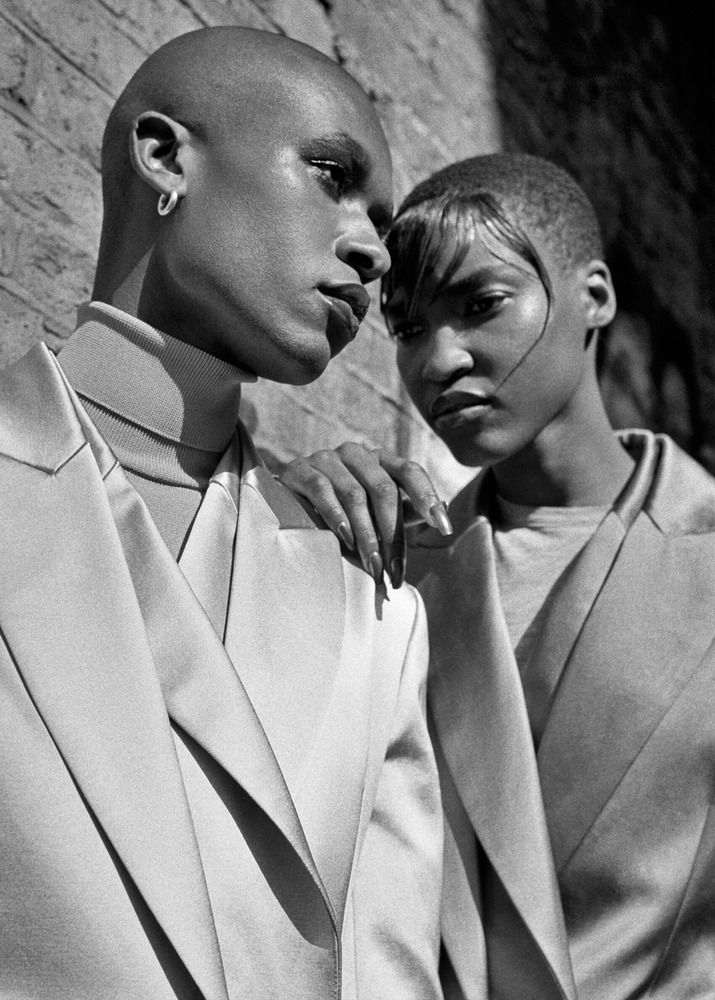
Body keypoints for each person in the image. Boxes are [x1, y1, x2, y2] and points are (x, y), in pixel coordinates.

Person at [0, 28, 445, 1000]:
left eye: (382, 222)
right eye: (332, 176)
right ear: (165, 158)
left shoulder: (371, 606)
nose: (374, 251)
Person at [281, 153, 715, 999]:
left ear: (594, 297)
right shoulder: (382, 567)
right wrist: (279, 524)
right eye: (408, 329)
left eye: (480, 305)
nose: (438, 360)